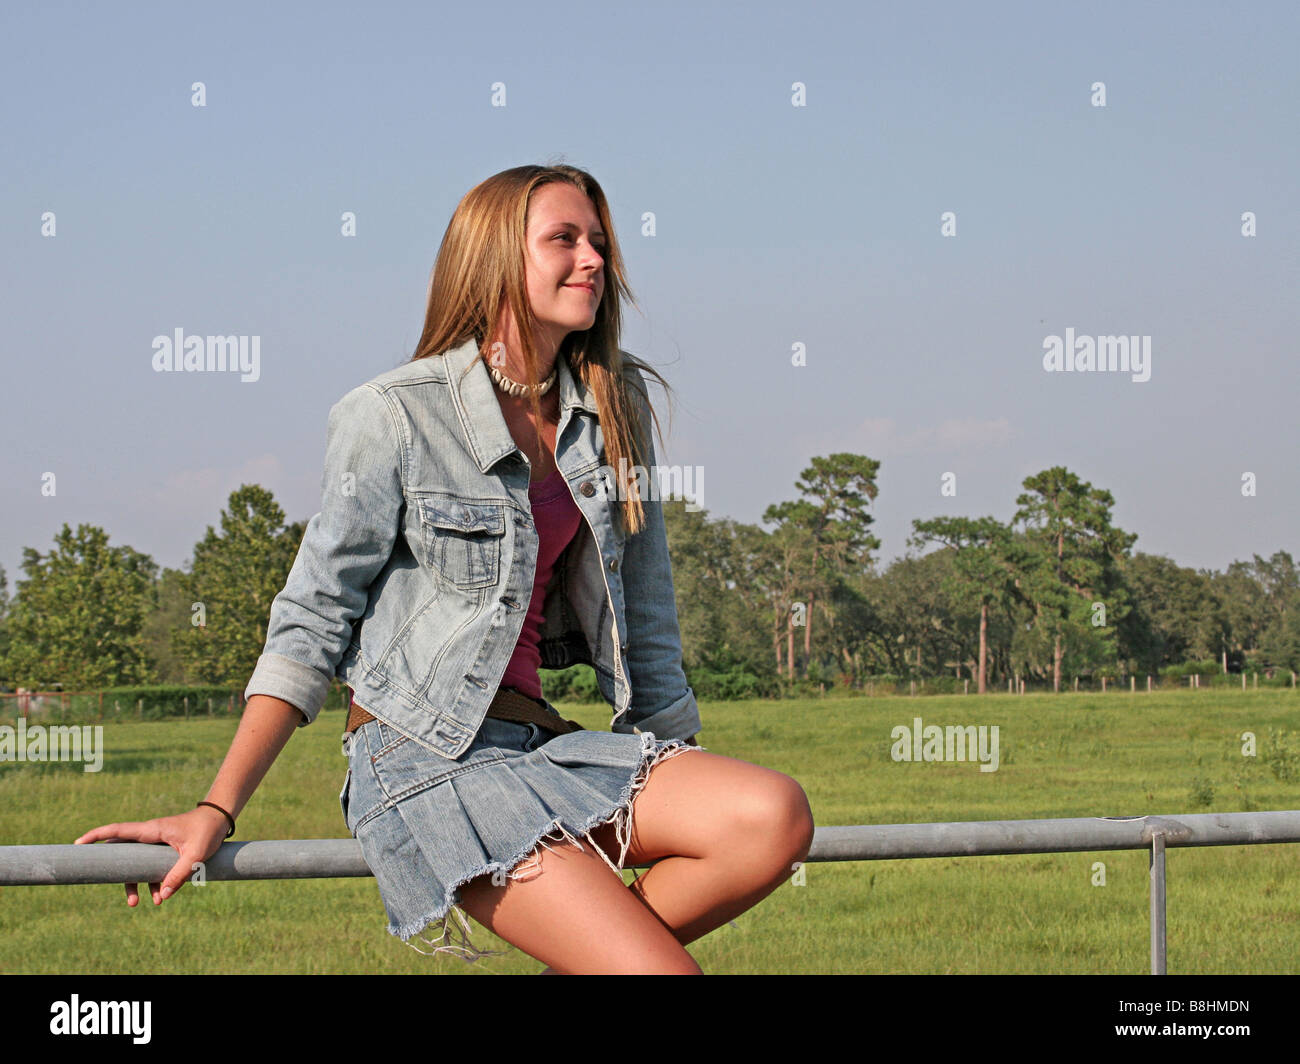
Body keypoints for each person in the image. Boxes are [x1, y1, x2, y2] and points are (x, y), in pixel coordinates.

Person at [75, 163, 815, 975]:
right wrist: (218, 807)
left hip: (541, 745)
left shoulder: (609, 407)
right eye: (564, 240)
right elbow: (314, 617)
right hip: (426, 758)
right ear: (497, 257)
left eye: (599, 241)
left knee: (771, 814)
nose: (595, 260)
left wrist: (680, 768)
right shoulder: (393, 415)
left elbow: (647, 609)